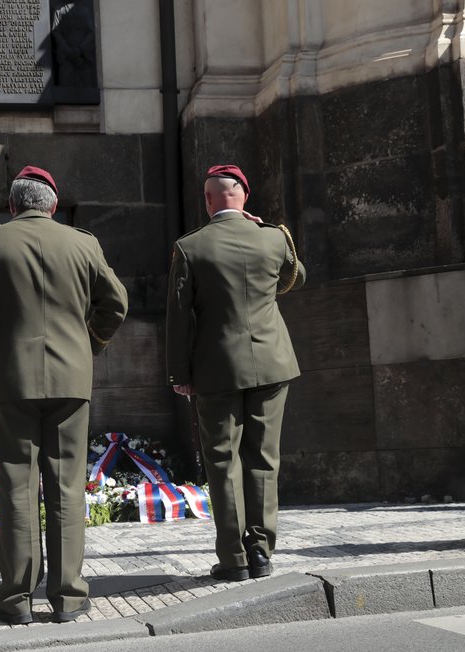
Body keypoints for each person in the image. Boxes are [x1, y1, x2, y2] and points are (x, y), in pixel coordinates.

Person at [0, 166, 128, 624]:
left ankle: (16, 600)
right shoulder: (83, 243)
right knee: (67, 487)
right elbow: (117, 303)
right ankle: (69, 597)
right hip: (72, 382)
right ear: (52, 205)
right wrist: (86, 344)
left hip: (11, 383)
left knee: (17, 487)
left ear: (13, 206)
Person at [165, 164, 305, 582]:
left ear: (208, 201)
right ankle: (261, 553)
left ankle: (233, 559)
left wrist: (179, 373)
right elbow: (297, 277)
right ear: (245, 196)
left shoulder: (190, 247)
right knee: (264, 460)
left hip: (216, 368)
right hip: (273, 362)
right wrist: (267, 235)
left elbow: (178, 319)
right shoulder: (274, 238)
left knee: (223, 462)